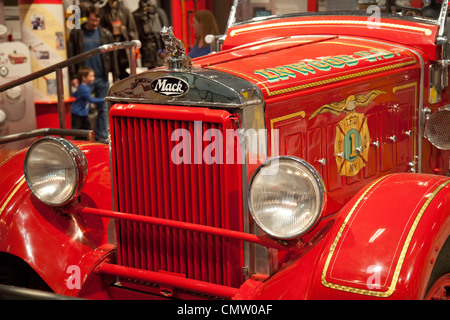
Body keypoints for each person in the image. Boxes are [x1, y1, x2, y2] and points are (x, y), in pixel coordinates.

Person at [68, 5, 119, 143]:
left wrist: (115, 76)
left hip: (101, 76)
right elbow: (71, 55)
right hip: (84, 78)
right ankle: (82, 137)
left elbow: (112, 56)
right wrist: (73, 76)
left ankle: (101, 137)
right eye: (91, 20)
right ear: (87, 18)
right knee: (82, 108)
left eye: (96, 21)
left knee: (103, 108)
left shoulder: (105, 34)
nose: (94, 23)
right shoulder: (77, 33)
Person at [100, 0, 139, 79]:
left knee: (126, 72)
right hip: (109, 46)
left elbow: (132, 30)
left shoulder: (125, 11)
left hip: (124, 48)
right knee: (112, 71)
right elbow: (100, 31)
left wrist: (136, 47)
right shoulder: (102, 11)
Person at [71, 67, 105, 139]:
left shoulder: (84, 87)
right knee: (79, 132)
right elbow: (91, 100)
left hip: (82, 114)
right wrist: (104, 99)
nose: (93, 78)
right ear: (84, 78)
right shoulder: (84, 88)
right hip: (78, 114)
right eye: (91, 76)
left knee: (85, 130)